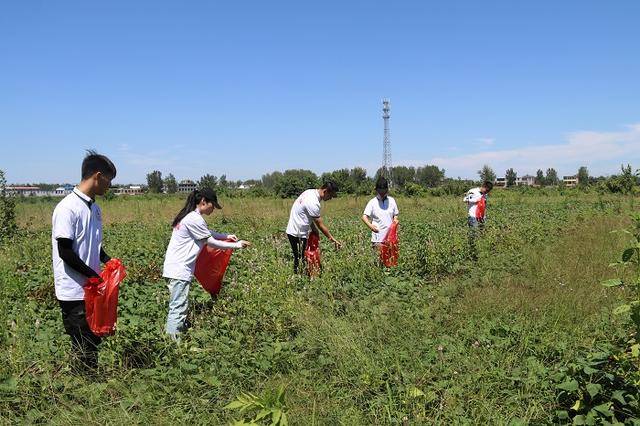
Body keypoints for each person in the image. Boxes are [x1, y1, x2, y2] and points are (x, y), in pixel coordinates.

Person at [51, 150, 117, 371]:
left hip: (92, 287)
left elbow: (93, 244)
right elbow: (65, 252)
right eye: (109, 180)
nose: (109, 186)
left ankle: (89, 382)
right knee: (83, 342)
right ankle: (84, 388)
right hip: (74, 289)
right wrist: (93, 276)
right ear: (98, 176)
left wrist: (108, 260)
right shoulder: (67, 208)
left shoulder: (95, 208)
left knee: (94, 339)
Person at [162, 188, 249, 339]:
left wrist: (226, 236)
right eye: (212, 205)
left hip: (174, 268)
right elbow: (210, 242)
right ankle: (172, 345)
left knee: (177, 306)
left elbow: (207, 232)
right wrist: (237, 245)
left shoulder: (190, 217)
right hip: (179, 270)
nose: (213, 209)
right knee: (178, 309)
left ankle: (172, 337)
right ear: (203, 202)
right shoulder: (194, 219)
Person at [285, 181, 342, 274]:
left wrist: (313, 228)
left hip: (293, 229)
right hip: (297, 232)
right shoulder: (314, 202)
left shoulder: (309, 192)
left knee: (300, 257)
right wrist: (332, 239)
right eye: (331, 196)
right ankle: (300, 280)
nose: (330, 198)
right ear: (325, 191)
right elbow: (320, 224)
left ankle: (301, 277)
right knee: (301, 258)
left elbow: (306, 213)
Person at [361, 177, 399, 251]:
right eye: (380, 192)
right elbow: (364, 217)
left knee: (390, 261)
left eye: (384, 192)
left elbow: (395, 214)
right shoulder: (372, 202)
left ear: (387, 190)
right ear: (377, 190)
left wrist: (395, 221)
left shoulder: (392, 201)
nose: (382, 194)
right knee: (379, 260)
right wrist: (371, 226)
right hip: (378, 239)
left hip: (390, 238)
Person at [463, 180, 493, 258]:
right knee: (473, 235)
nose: (486, 192)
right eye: (486, 190)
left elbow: (483, 206)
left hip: (482, 217)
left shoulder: (484, 195)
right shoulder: (473, 191)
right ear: (483, 186)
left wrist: (484, 216)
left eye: (488, 191)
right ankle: (471, 253)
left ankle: (480, 252)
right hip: (473, 217)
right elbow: (465, 199)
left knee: (482, 234)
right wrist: (476, 200)